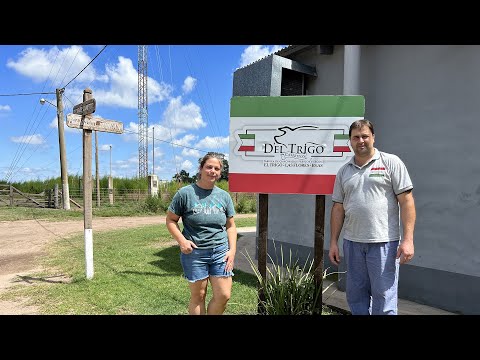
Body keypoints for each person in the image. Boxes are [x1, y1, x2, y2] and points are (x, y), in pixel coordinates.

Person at [329, 119, 416, 315]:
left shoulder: (391, 162)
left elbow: (407, 201)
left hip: (384, 243)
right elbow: (338, 208)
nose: (361, 140)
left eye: (365, 136)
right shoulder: (344, 171)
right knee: (355, 296)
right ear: (350, 141)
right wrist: (334, 241)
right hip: (352, 243)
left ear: (373, 138)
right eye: (356, 137)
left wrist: (408, 240)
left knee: (384, 297)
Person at [166, 153, 237, 315]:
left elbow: (231, 226)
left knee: (224, 295)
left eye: (217, 168)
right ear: (201, 168)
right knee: (199, 296)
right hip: (194, 253)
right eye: (209, 167)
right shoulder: (185, 193)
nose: (213, 171)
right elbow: (170, 220)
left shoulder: (224, 196)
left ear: (220, 173)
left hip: (220, 252)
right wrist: (182, 241)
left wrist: (232, 250)